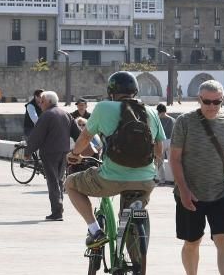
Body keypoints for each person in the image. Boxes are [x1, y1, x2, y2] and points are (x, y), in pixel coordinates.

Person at [170, 79, 224, 275]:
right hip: (191, 193)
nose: (212, 106)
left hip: (221, 192)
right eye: (207, 101)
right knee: (192, 242)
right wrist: (183, 190)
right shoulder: (184, 122)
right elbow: (174, 158)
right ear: (198, 100)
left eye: (217, 102)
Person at [66, 72, 165, 247]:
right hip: (145, 181)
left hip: (110, 179)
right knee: (129, 214)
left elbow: (85, 138)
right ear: (135, 91)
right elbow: (159, 149)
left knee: (70, 184)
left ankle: (95, 231)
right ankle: (136, 262)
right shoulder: (151, 111)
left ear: (111, 91)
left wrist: (74, 155)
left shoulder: (104, 107)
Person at [26, 91, 74, 221]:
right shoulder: (66, 114)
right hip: (64, 152)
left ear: (48, 102)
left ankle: (57, 211)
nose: (39, 104)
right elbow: (78, 133)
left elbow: (37, 136)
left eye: (41, 102)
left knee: (52, 181)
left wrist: (28, 151)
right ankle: (59, 208)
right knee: (59, 180)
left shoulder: (46, 115)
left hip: (50, 153)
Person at [156, 103, 175, 184]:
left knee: (160, 161)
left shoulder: (157, 120)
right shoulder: (172, 120)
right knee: (173, 162)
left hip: (161, 141)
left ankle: (162, 180)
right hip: (171, 141)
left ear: (158, 111)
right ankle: (175, 180)